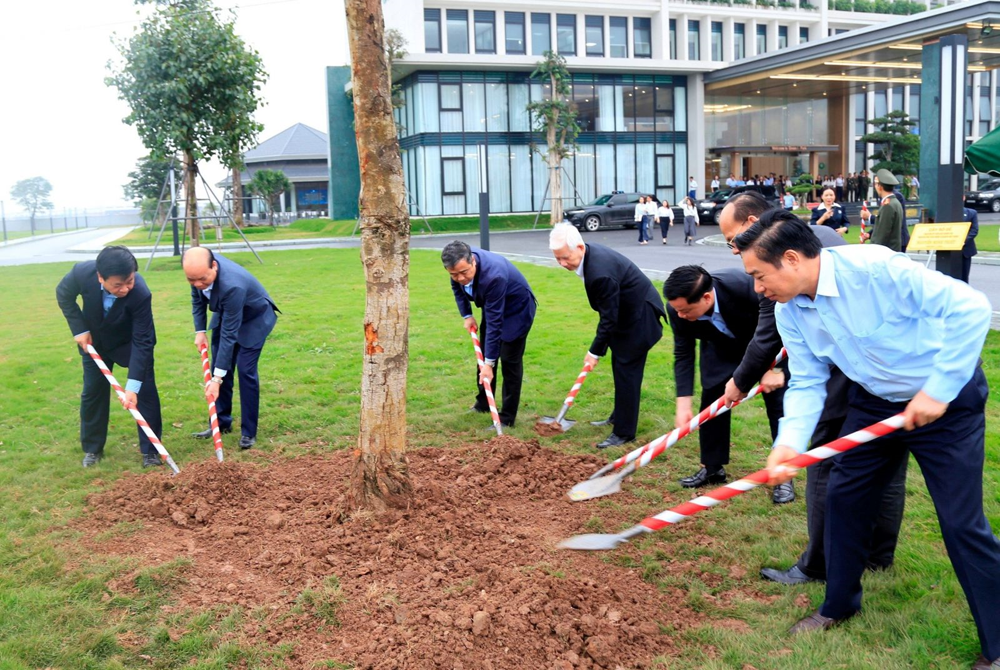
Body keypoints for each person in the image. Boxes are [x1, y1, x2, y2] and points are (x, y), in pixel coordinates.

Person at [732, 213, 1000, 670]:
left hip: (946, 401)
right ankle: (838, 604)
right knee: (843, 498)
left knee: (960, 523)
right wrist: (789, 442)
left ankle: (997, 643)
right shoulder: (789, 310)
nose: (757, 288)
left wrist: (937, 389)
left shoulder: (878, 270)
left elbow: (971, 309)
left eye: (759, 275)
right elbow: (809, 380)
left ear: (792, 259)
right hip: (875, 402)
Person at [720, 202, 905, 579]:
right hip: (870, 373)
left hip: (849, 374)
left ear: (755, 225)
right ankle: (877, 555)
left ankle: (817, 564)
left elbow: (768, 334)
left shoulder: (785, 265)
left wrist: (739, 382)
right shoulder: (813, 238)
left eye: (732, 240)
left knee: (822, 460)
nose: (734, 249)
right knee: (886, 460)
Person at [664, 265, 785, 491]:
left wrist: (772, 368)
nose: (680, 316)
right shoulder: (677, 308)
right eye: (677, 310)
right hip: (720, 348)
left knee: (778, 405)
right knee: (712, 403)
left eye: (685, 311)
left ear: (707, 297)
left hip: (765, 344)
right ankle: (712, 468)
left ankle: (782, 474)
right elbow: (683, 352)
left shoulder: (744, 287)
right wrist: (683, 402)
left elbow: (778, 324)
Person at [549, 224, 666, 449]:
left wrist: (594, 351)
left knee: (627, 373)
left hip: (640, 319)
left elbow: (608, 319)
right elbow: (611, 314)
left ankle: (623, 433)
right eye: (557, 259)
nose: (562, 264)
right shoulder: (590, 257)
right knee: (620, 368)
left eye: (565, 258)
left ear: (580, 248)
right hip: (627, 315)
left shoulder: (599, 273)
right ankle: (618, 416)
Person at [56, 246, 163, 468]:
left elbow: (143, 341)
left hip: (130, 344)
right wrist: (79, 329)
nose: (125, 289)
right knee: (93, 392)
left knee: (145, 390)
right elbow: (64, 294)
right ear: (100, 277)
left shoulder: (141, 293)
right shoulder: (81, 273)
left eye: (130, 281)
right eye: (117, 285)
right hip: (95, 343)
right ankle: (93, 449)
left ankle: (151, 452)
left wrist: (132, 387)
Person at [183, 247, 279, 450]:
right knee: (221, 363)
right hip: (228, 312)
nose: (197, 285)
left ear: (214, 266)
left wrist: (215, 380)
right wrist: (200, 331)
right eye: (192, 281)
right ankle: (221, 423)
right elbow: (197, 301)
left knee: (245, 370)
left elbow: (229, 334)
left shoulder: (232, 285)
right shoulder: (197, 271)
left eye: (202, 279)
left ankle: (248, 432)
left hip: (254, 318)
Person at [442, 241, 536, 428]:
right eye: (454, 274)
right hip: (493, 304)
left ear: (473, 262)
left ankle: (507, 418)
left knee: (509, 361)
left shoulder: (494, 276)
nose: (460, 278)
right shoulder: (458, 266)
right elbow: (457, 289)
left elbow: (495, 324)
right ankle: (484, 403)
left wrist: (490, 364)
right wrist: (467, 315)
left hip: (516, 310)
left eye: (464, 273)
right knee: (484, 355)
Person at [860, 169, 903, 251]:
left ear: (880, 187)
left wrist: (873, 250)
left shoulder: (888, 205)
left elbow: (881, 234)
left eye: (876, 184)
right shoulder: (894, 202)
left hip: (886, 253)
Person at [963, 206, 980, 284]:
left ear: (963, 197)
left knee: (964, 277)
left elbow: (974, 230)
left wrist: (963, 240)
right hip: (948, 251)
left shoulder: (971, 213)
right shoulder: (942, 212)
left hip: (965, 250)